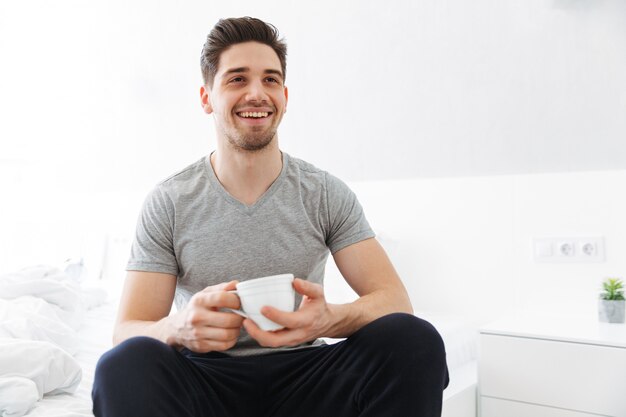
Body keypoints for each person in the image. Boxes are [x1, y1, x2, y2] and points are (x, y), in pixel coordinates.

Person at [92, 16, 449, 417]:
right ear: (206, 97)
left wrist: (328, 321)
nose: (257, 93)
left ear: (284, 94)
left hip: (306, 376)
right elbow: (127, 330)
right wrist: (178, 328)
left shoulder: (324, 192)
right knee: (121, 365)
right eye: (237, 79)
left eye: (270, 79)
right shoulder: (169, 201)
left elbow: (394, 301)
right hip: (207, 379)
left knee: (413, 338)